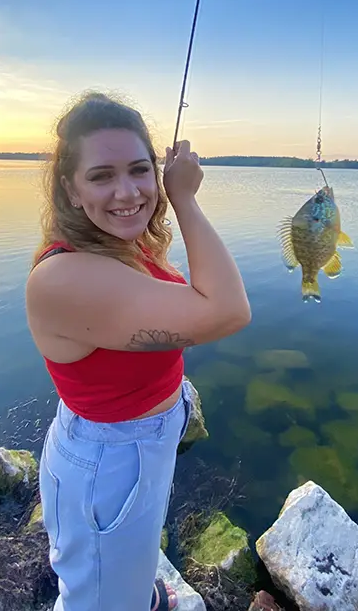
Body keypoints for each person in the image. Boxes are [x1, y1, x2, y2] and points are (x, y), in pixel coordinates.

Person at [25, 91, 251, 611]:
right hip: (109, 461)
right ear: (71, 189)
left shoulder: (118, 243)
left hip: (138, 448)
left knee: (121, 580)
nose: (127, 191)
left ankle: (136, 590)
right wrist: (186, 199)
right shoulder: (66, 277)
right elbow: (228, 310)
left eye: (139, 170)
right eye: (102, 176)